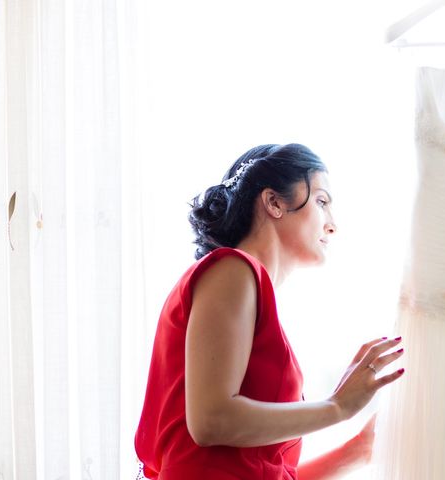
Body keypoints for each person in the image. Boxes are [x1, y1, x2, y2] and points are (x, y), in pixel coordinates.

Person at [134, 143, 404, 479]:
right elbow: (210, 421)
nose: (332, 224)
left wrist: (359, 450)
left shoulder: (247, 288)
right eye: (321, 201)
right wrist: (337, 407)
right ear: (274, 202)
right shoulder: (231, 269)